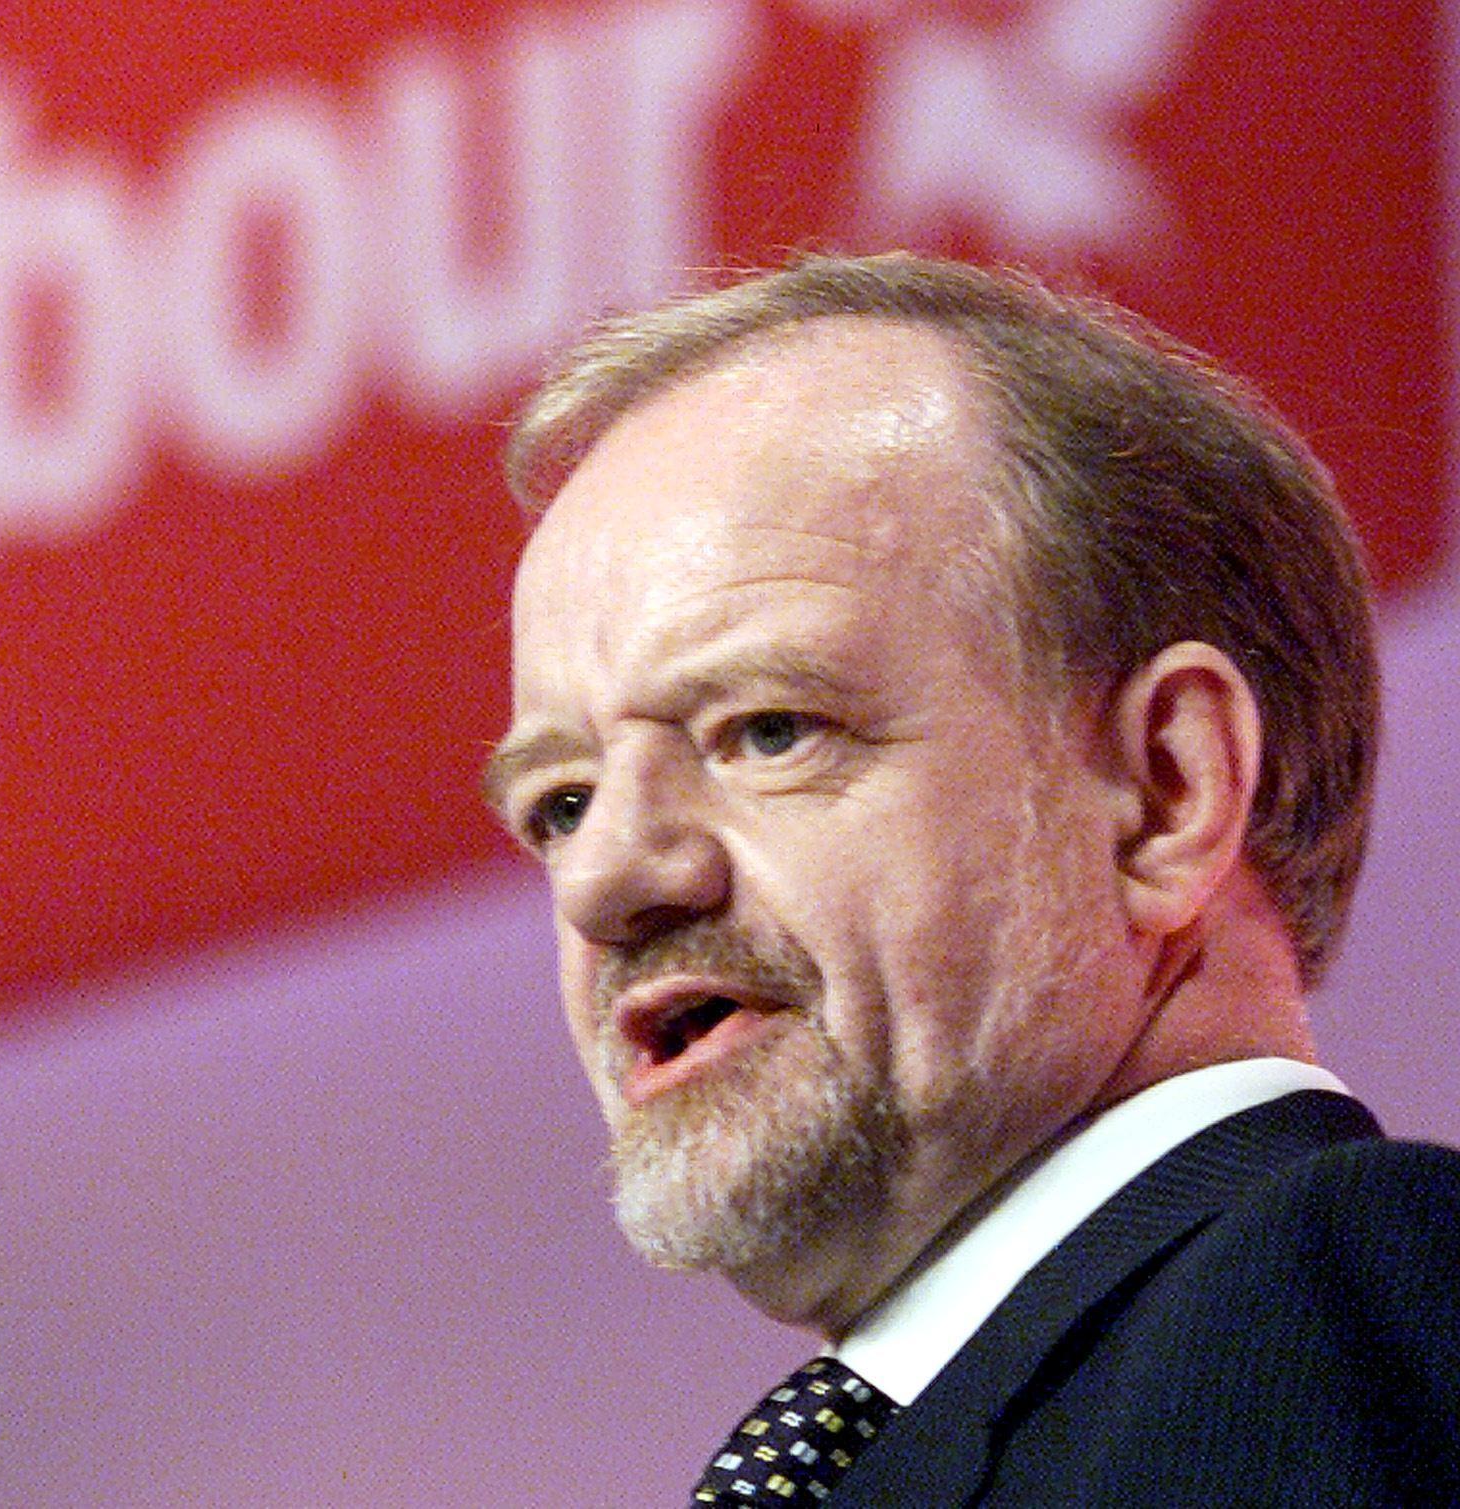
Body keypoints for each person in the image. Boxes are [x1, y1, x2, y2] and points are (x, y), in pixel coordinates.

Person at [483, 252, 1460, 1506]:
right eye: (559, 803)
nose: (603, 881)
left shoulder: (1325, 1306)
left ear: (1165, 791)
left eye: (767, 730)